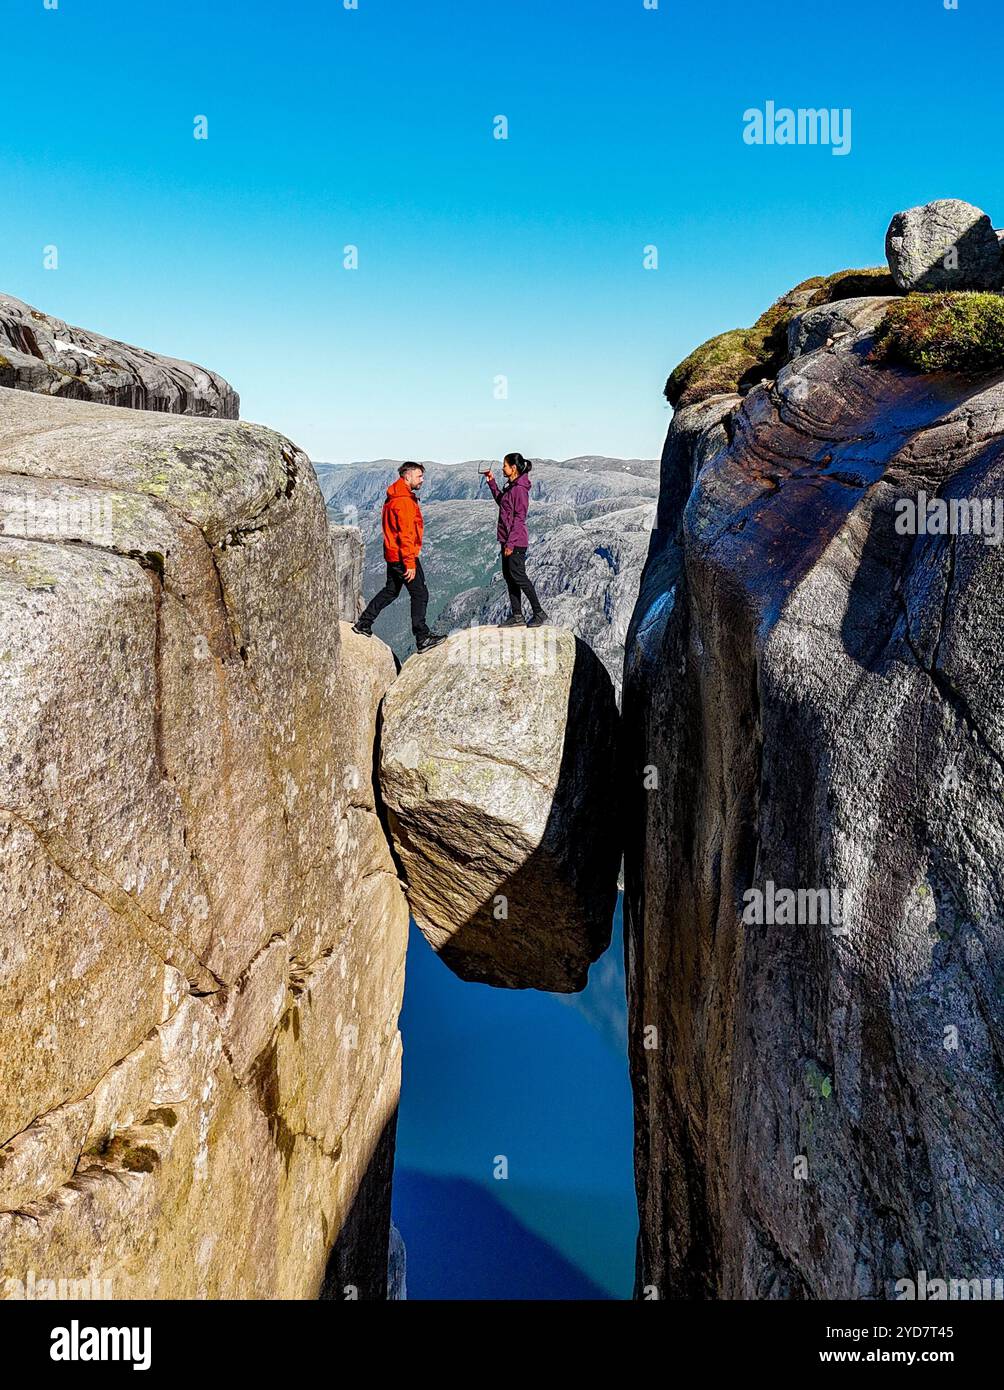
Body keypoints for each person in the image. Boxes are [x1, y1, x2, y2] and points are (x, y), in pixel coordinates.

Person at [353, 462, 446, 651]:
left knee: (391, 590)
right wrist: (410, 563)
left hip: (393, 554)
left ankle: (363, 623)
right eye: (419, 476)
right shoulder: (403, 501)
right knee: (420, 594)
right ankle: (422, 638)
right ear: (407, 476)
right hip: (404, 556)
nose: (422, 480)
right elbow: (405, 534)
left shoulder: (395, 495)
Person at [483, 452, 549, 628]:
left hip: (516, 542)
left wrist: (511, 544)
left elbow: (520, 518)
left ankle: (539, 613)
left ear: (513, 468)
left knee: (519, 577)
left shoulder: (519, 489)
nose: (502, 468)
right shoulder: (511, 487)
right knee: (510, 577)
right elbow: (502, 503)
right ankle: (517, 615)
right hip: (507, 540)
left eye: (504, 465)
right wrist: (491, 482)